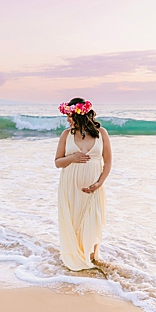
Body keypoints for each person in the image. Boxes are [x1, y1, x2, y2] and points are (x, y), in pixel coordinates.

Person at [54, 98, 112, 271]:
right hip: (70, 184)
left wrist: (99, 183)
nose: (67, 119)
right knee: (73, 218)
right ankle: (75, 254)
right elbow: (58, 162)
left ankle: (93, 256)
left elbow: (108, 162)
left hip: (94, 185)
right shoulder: (66, 135)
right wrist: (72, 158)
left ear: (79, 115)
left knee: (93, 217)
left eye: (69, 115)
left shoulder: (101, 133)